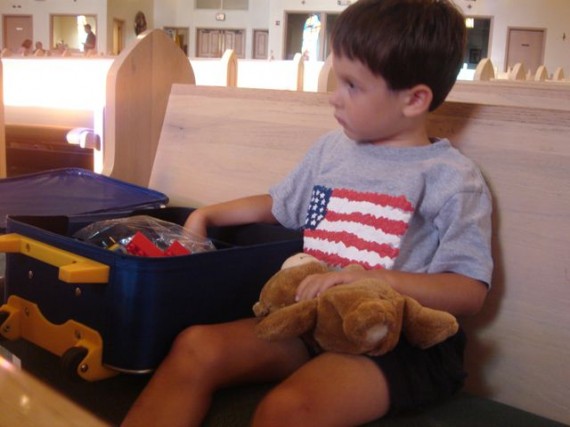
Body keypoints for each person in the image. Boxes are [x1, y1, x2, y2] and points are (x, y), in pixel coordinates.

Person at [121, 0, 493, 426]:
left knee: (287, 410)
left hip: (399, 342)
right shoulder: (332, 151)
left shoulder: (450, 177)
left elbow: (469, 291)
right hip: (315, 320)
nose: (334, 98)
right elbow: (283, 206)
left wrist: (375, 279)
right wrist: (208, 214)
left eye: (353, 86)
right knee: (196, 347)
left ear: (414, 100)